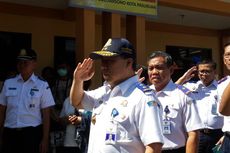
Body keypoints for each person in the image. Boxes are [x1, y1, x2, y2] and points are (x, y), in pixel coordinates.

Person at [70, 38, 164, 153]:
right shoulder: (104, 92)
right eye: (103, 61)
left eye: (110, 61)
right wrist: (78, 80)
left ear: (129, 62)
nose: (104, 66)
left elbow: (154, 147)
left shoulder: (143, 98)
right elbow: (77, 102)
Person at [0, 48, 55, 153]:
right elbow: (1, 110)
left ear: (34, 64)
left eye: (26, 62)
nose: (22, 65)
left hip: (31, 135)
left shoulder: (42, 85)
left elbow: (46, 115)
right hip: (9, 134)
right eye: (20, 62)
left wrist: (45, 139)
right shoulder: (8, 83)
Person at [147, 51, 203, 153]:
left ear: (171, 70)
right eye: (151, 68)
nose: (154, 72)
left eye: (159, 67)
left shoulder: (184, 95)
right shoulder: (143, 95)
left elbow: (193, 133)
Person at [175, 60, 224, 153]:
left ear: (214, 72)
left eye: (207, 71)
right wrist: (184, 78)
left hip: (218, 135)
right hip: (197, 135)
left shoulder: (221, 87)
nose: (204, 74)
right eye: (201, 71)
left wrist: (225, 135)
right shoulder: (191, 87)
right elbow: (172, 89)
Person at [216, 42, 230, 153]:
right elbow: (224, 112)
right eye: (228, 55)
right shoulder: (222, 85)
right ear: (224, 60)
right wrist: (225, 134)